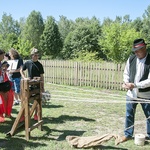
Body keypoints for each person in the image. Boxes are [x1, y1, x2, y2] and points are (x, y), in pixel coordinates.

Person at [117, 38, 150, 144]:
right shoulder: (131, 59)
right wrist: (126, 83)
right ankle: (128, 135)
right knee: (129, 114)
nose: (136, 52)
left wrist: (135, 85)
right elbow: (126, 73)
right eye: (135, 51)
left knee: (149, 115)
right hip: (131, 94)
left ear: (144, 48)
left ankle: (149, 136)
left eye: (138, 50)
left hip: (146, 94)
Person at [20, 48, 44, 120]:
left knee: (37, 100)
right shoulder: (28, 63)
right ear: (31, 55)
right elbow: (21, 70)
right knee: (25, 99)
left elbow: (42, 76)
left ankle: (36, 115)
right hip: (29, 84)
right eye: (34, 55)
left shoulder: (40, 65)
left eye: (37, 55)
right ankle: (23, 115)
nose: (36, 56)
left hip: (37, 84)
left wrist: (42, 86)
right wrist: (24, 78)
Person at [0, 49, 13, 122]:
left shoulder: (1, 63)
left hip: (3, 84)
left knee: (7, 98)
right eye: (2, 55)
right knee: (2, 100)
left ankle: (6, 113)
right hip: (1, 84)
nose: (3, 57)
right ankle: (3, 114)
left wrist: (3, 68)